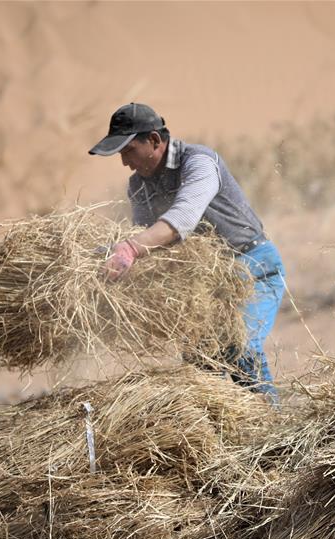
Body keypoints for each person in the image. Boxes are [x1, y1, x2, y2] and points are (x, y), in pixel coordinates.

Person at [89, 102, 285, 407]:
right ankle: (230, 436)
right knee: (200, 364)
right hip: (203, 284)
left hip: (252, 267)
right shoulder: (138, 185)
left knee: (240, 344)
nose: (125, 162)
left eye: (128, 151)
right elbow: (149, 236)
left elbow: (182, 218)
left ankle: (272, 423)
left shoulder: (199, 162)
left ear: (154, 140)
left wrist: (131, 247)